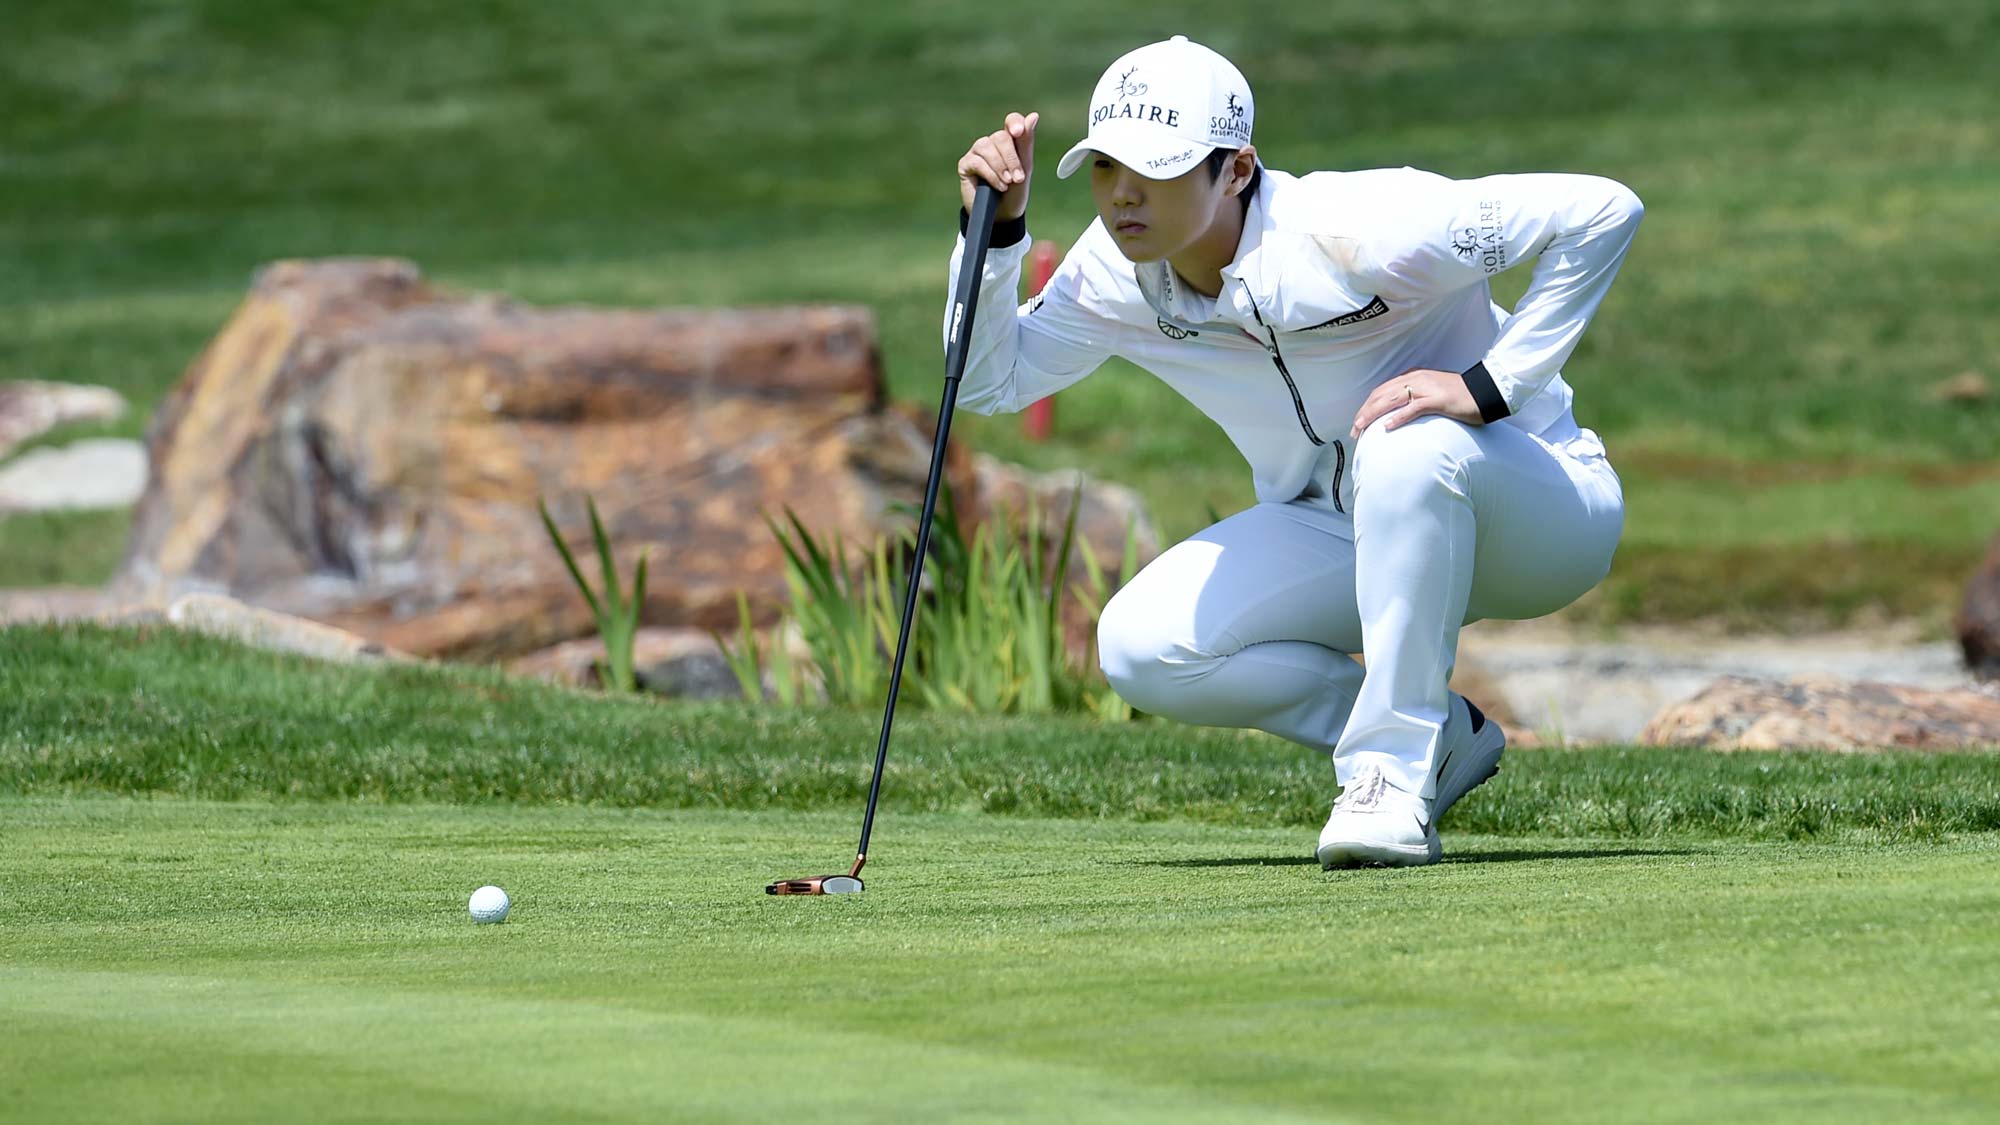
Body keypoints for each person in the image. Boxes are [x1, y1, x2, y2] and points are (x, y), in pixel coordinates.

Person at [947, 35, 1642, 867]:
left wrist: (1490, 387)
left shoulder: (1363, 228)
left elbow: (1602, 210)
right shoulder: (1113, 273)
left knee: (1405, 439)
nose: (1124, 195)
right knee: (1144, 645)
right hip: (1344, 530)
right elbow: (991, 380)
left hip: (1541, 514)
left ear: (1236, 170)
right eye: (1104, 168)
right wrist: (996, 237)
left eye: (1157, 169)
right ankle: (1443, 740)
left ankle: (1387, 776)